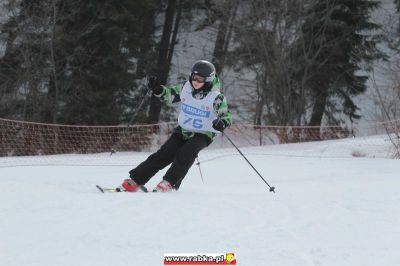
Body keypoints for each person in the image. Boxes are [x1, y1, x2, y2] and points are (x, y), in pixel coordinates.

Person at [117, 60, 232, 192]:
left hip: (204, 133)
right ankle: (135, 180)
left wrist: (222, 122)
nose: (196, 82)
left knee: (186, 153)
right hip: (183, 130)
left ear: (209, 80)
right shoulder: (186, 88)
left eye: (200, 79)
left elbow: (226, 115)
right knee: (164, 153)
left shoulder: (216, 97)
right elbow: (169, 94)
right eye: (194, 77)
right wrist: (157, 88)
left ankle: (169, 182)